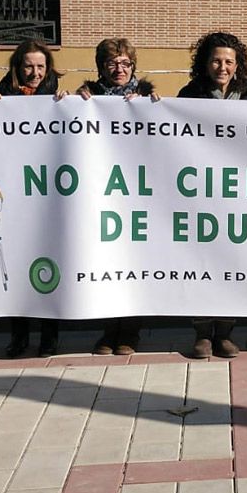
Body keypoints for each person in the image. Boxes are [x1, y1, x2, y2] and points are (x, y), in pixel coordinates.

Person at [178, 32, 247, 358]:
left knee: (233, 264)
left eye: (229, 61)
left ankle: (226, 331)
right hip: (200, 193)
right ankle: (202, 333)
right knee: (201, 262)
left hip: (239, 193)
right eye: (216, 60)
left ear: (238, 64)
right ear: (205, 62)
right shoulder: (190, 94)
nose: (223, 66)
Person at [0, 39, 62, 357]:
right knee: (17, 269)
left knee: (52, 267)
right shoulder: (2, 97)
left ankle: (50, 336)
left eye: (41, 66)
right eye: (29, 66)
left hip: (49, 198)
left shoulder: (59, 99)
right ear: (17, 68)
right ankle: (19, 336)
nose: (35, 72)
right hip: (14, 196)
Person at [73, 38, 153, 356]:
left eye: (125, 63)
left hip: (137, 193)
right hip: (102, 193)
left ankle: (130, 333)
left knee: (134, 265)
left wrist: (150, 105)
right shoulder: (87, 97)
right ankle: (108, 332)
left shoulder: (148, 96)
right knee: (105, 261)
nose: (119, 69)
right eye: (112, 63)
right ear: (101, 68)